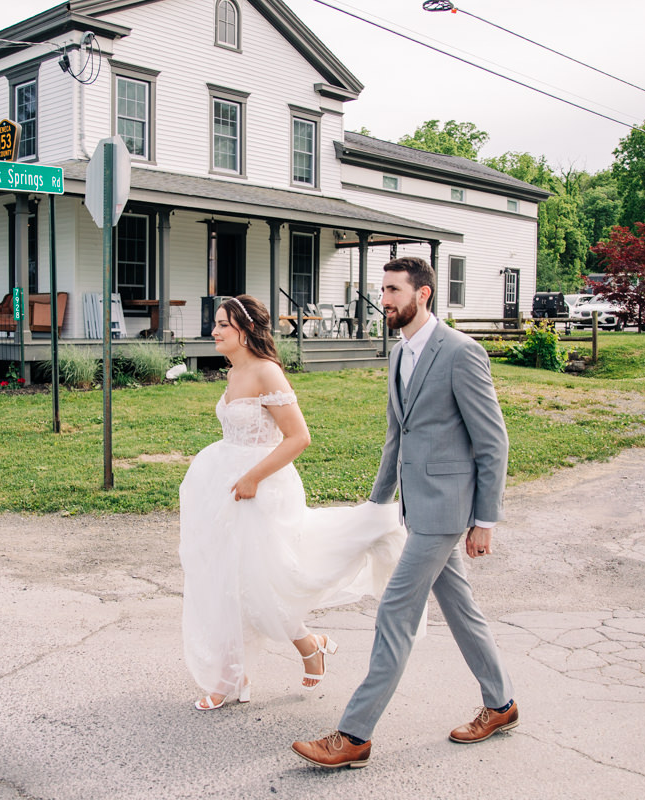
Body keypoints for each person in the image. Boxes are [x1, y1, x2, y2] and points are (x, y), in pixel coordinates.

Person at [292, 256, 516, 770]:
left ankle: (354, 735)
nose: (384, 299)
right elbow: (399, 433)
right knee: (461, 610)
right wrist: (377, 504)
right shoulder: (398, 353)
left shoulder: (461, 353)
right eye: (383, 290)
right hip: (415, 506)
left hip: (447, 509)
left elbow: (492, 440)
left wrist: (485, 520)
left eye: (393, 290)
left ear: (424, 294)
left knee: (395, 610)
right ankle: (501, 703)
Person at [178, 294, 406, 711]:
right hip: (226, 489)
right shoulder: (234, 372)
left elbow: (299, 437)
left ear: (244, 331)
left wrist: (252, 477)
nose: (214, 331)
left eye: (222, 324)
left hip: (263, 491)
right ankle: (236, 675)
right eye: (215, 324)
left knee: (264, 584)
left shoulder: (267, 372)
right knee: (229, 584)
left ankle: (307, 644)